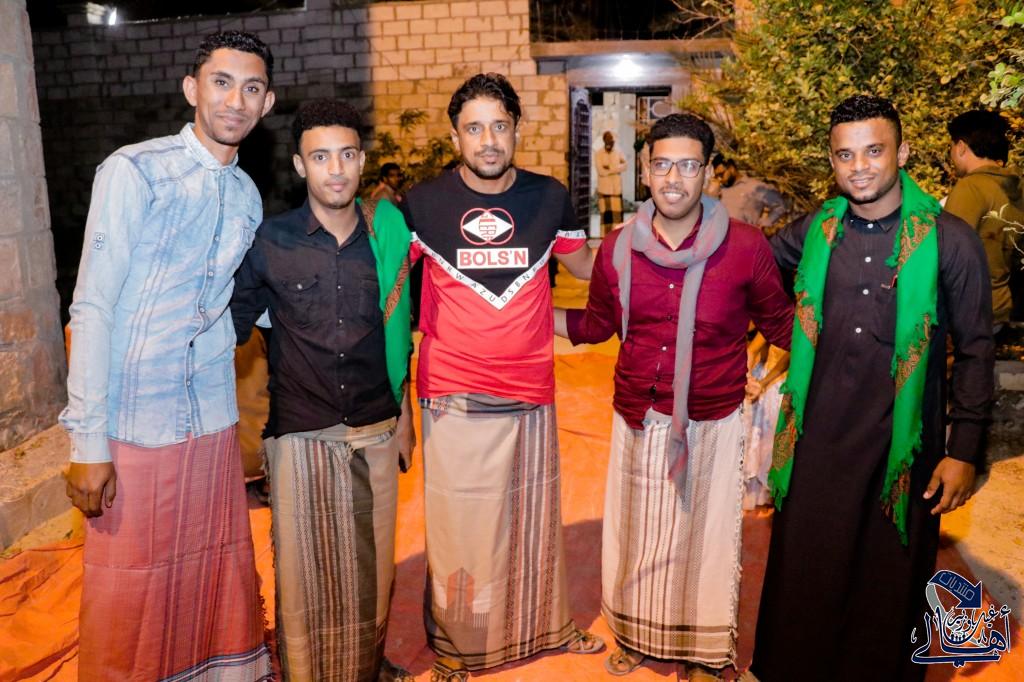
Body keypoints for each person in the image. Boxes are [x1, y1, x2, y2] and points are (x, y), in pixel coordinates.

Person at [749, 95, 994, 682]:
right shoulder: (815, 231)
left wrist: (963, 450)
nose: (859, 166)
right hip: (815, 438)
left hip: (903, 443)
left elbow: (977, 349)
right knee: (806, 567)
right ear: (832, 161)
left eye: (873, 150)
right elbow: (753, 269)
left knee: (888, 577)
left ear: (902, 153)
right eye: (845, 154)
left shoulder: (950, 240)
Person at [60, 31, 276, 680]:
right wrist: (87, 441)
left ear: (266, 104)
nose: (235, 100)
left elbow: (241, 303)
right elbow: (92, 307)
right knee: (130, 584)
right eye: (221, 82)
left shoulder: (248, 196)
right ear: (191, 89)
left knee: (210, 569)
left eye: (252, 88)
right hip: (137, 420)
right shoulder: (135, 172)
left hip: (211, 417)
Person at [554, 113, 794, 680]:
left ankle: (704, 652)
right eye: (662, 165)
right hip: (638, 415)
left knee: (703, 544)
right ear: (644, 170)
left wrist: (852, 350)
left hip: (713, 418)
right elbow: (596, 325)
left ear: (708, 172)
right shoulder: (618, 248)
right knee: (639, 535)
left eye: (688, 165)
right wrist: (524, 314)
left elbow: (783, 326)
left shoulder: (745, 248)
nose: (673, 178)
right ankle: (638, 634)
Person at [400, 72, 602, 681]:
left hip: (532, 387)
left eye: (499, 126)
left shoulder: (549, 197)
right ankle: (458, 646)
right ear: (455, 136)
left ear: (517, 130)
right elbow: (384, 291)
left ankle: (545, 628)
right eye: (474, 128)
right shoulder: (422, 205)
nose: (487, 140)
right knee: (461, 526)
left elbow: (588, 269)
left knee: (532, 521)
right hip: (454, 390)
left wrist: (651, 243)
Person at [231, 99, 414, 682]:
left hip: (375, 425)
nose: (335, 169)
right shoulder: (271, 241)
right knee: (306, 571)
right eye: (320, 157)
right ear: (299, 165)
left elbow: (401, 335)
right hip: (301, 432)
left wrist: (405, 415)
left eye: (347, 155)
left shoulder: (386, 237)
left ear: (361, 160)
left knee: (373, 562)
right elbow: (227, 327)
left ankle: (365, 665)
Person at [946, 109, 1024, 329]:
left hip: (973, 312)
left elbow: (949, 254)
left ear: (961, 147)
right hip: (1005, 307)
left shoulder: (971, 188)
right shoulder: (1017, 188)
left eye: (951, 147)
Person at [708, 154, 788, 230]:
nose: (720, 179)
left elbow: (780, 205)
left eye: (721, 174)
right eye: (717, 176)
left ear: (731, 168)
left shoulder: (755, 187)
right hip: (720, 236)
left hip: (744, 237)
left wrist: (765, 223)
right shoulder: (718, 190)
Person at [596, 130, 628, 235]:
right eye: (607, 139)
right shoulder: (599, 154)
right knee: (606, 216)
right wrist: (616, 169)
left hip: (616, 189)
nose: (609, 141)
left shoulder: (618, 152)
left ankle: (617, 236)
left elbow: (625, 165)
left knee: (617, 216)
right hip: (604, 189)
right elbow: (601, 171)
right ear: (604, 140)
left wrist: (609, 169)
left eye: (611, 140)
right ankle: (605, 237)